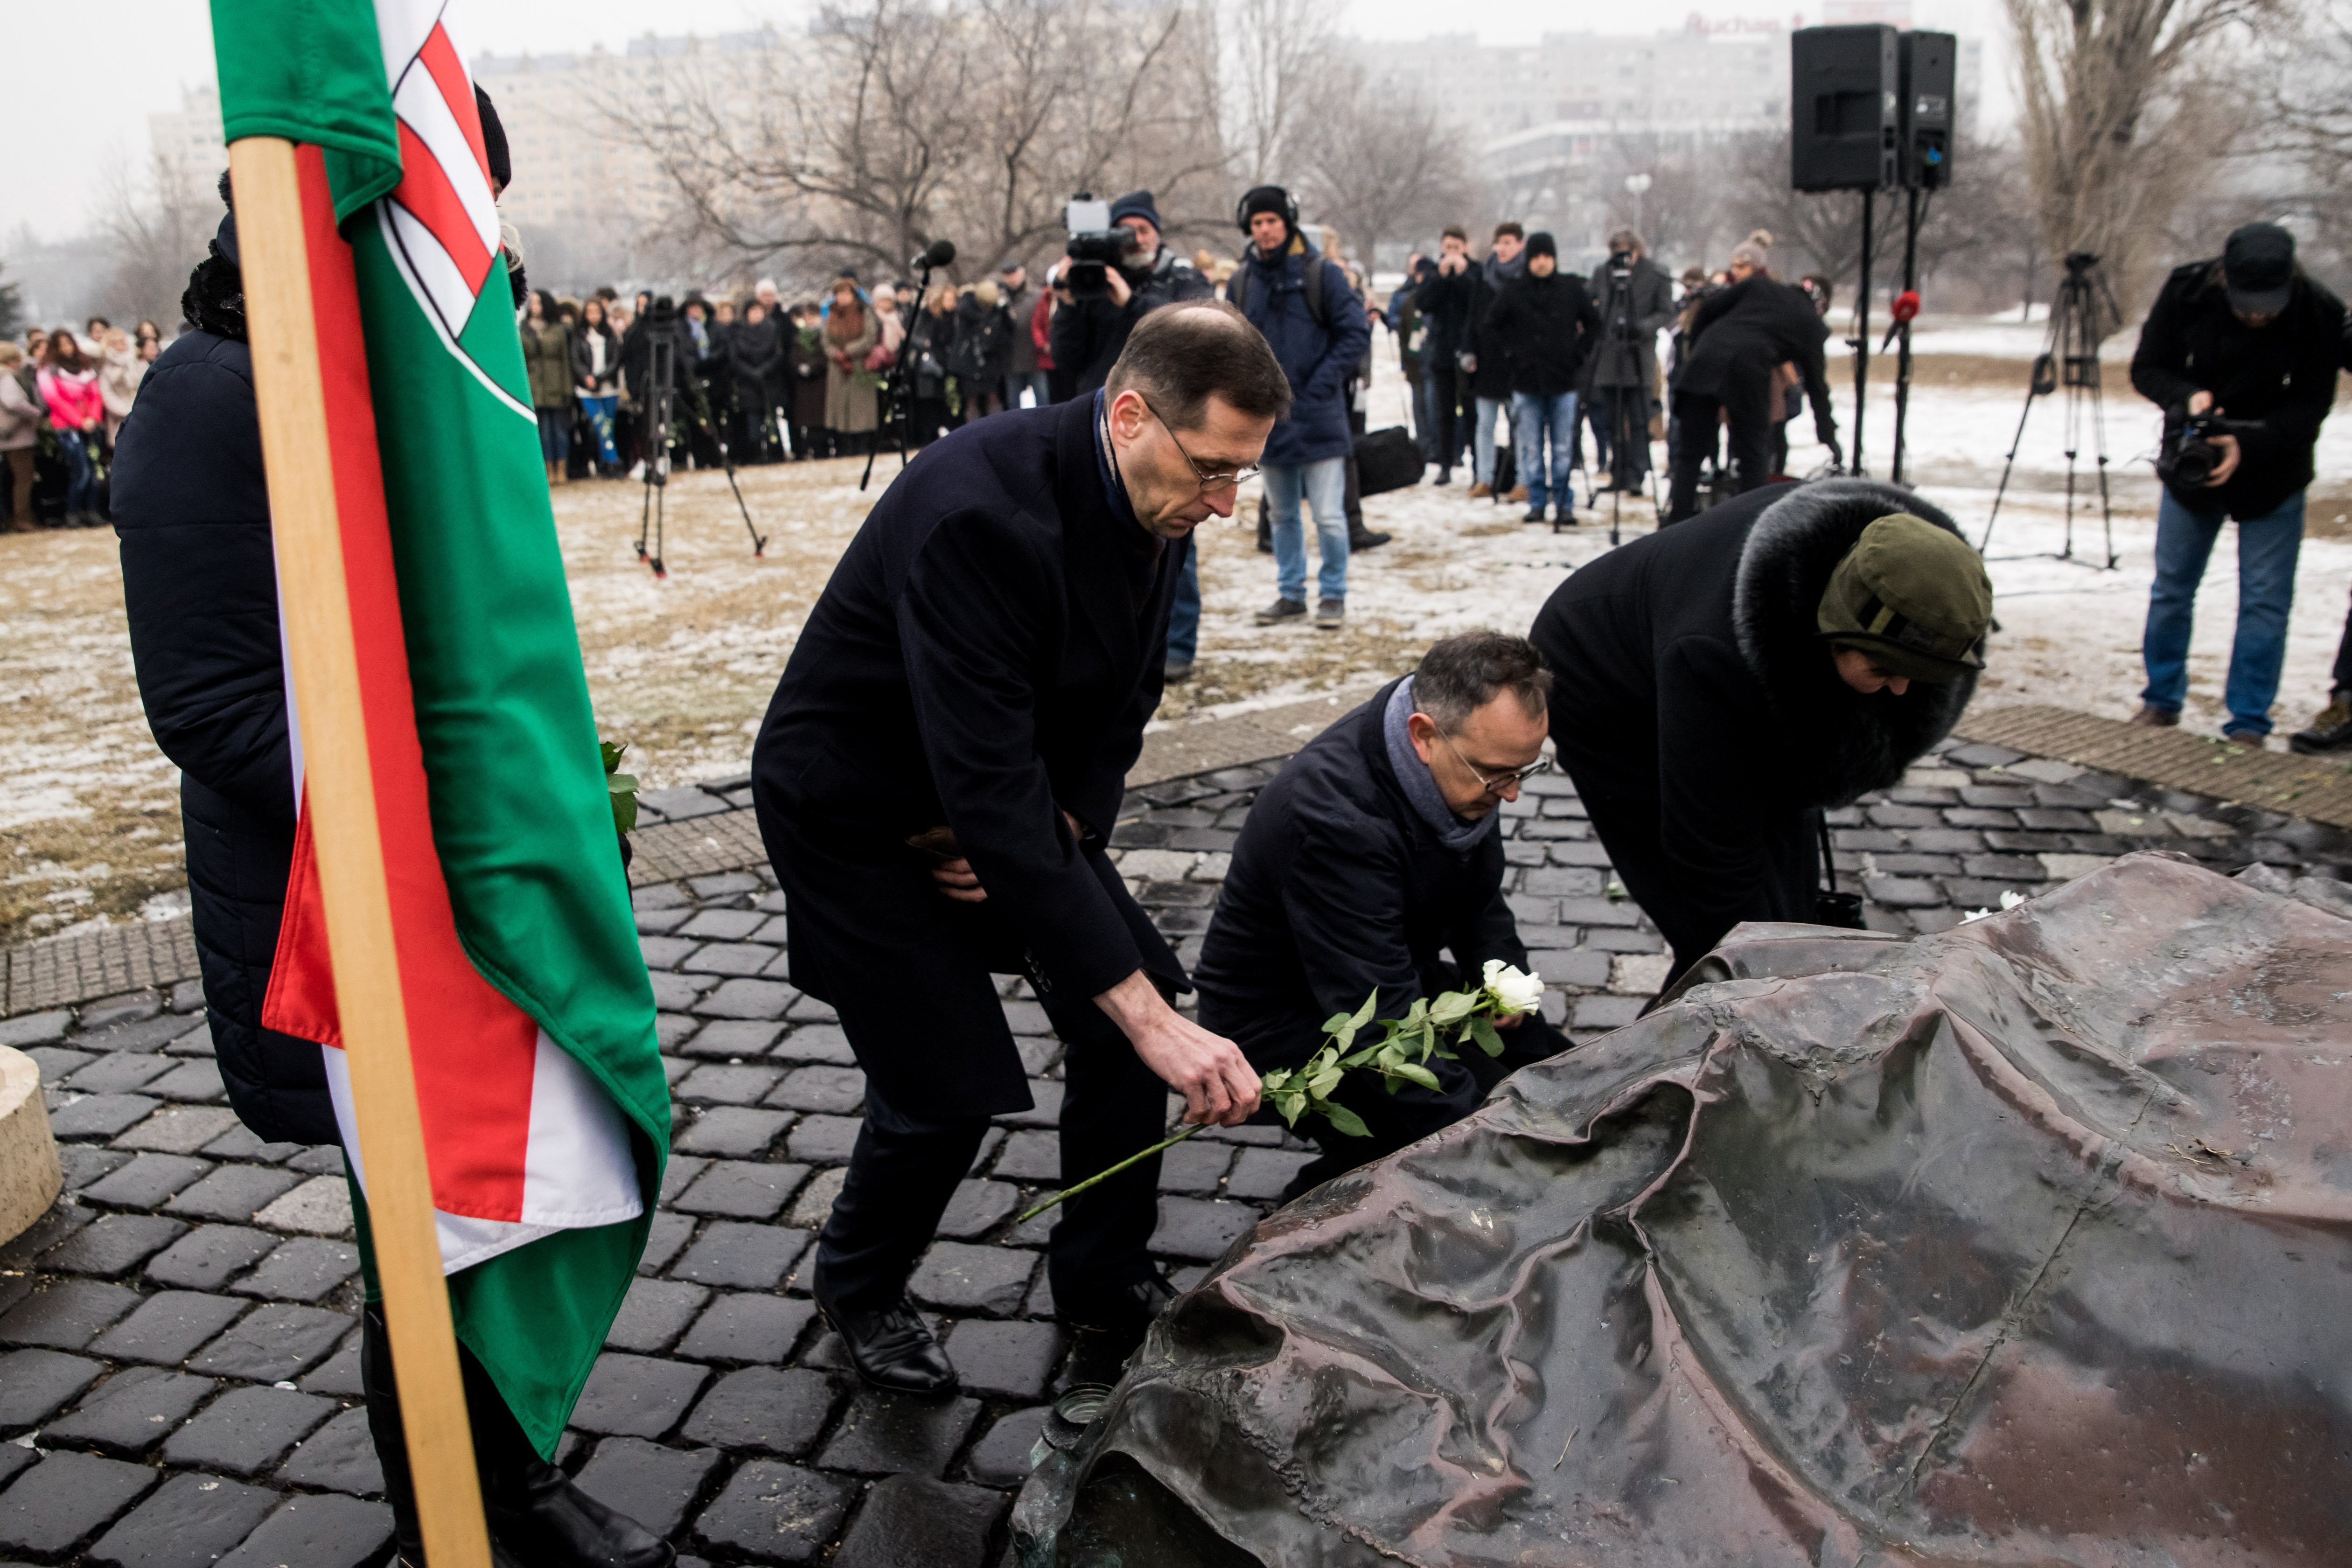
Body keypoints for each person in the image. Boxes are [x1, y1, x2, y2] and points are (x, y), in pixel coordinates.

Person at [113, 137, 672, 1568]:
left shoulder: (402, 355)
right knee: (410, 1235)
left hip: (450, 869)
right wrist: (442, 805)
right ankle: (463, 1512)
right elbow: (210, 705)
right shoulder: (207, 395)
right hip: (341, 900)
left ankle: (501, 1476)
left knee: (466, 1207)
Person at [749, 302, 1287, 1392]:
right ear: (1131, 414)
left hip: (1002, 801)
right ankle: (859, 1286)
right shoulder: (979, 513)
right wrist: (1016, 850)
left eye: (1245, 474)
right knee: (946, 1083)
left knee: (1129, 1023)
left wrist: (1073, 823)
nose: (1228, 504)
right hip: (853, 811)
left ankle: (1102, 1275)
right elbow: (986, 785)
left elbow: (1128, 694)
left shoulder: (1159, 500)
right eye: (1215, 468)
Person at [1529, 484, 1991, 992]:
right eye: (1883, 668)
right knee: (1721, 943)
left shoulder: (1926, 579)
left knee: (1789, 918)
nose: (1901, 690)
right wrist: (1765, 983)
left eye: (1921, 677)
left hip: (1708, 650)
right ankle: (1647, 1067)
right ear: (1831, 632)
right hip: (1606, 689)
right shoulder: (1712, 655)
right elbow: (1710, 856)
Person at [1194, 630, 1575, 1195]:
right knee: (1477, 1146)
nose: (1513, 793)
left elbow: (1477, 892)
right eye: (1498, 774)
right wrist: (1485, 1145)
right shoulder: (1333, 816)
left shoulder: (1464, 761)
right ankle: (1319, 1212)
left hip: (1390, 975)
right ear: (1423, 736)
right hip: (1295, 1025)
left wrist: (1505, 984)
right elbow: (1376, 1020)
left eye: (1524, 770)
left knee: (1557, 1082)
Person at [2127, 222, 2346, 744]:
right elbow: (2147, 368)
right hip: (2192, 461)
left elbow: (2313, 404)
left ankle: (2248, 720)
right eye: (2247, 303)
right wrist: (2187, 398)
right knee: (2172, 589)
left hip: (2275, 468)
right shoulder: (2186, 292)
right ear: (2224, 278)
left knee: (2265, 600)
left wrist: (2251, 443)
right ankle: (2160, 699)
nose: (2257, 315)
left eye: (2268, 304)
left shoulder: (2320, 312)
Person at [1229, 184, 1371, 631]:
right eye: (1257, 223)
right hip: (1267, 422)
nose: (1265, 230)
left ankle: (1333, 593)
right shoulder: (1242, 281)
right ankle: (1290, 593)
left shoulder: (1321, 273)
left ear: (1287, 223)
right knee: (1282, 515)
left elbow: (1354, 333)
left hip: (1319, 417)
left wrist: (1319, 386)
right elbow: (1230, 344)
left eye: (1272, 221)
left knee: (1330, 516)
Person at [1665, 238, 1839, 522]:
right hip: (1749, 370)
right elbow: (1817, 388)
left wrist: (1697, 350)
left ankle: (1677, 521)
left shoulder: (1761, 286)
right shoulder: (1812, 325)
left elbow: (1708, 308)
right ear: (1823, 306)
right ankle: (1748, 525)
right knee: (1754, 456)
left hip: (1706, 358)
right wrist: (1828, 435)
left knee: (1689, 455)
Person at [1048, 189, 1214, 395]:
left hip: (1170, 404)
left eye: (1144, 230)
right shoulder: (1096, 283)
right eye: (1125, 233)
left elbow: (1205, 330)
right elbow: (1067, 361)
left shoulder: (1184, 278)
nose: (1136, 240)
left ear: (1157, 235)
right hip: (1105, 404)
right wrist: (1068, 306)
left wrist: (1132, 304)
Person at [1482, 232, 1597, 524]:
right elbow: (1493, 326)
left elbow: (1595, 325)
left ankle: (1563, 502)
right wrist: (1513, 355)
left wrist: (1577, 355)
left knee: (1562, 447)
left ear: (1554, 259)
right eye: (1536, 258)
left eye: (1547, 257)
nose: (1542, 263)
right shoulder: (1514, 291)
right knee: (1531, 447)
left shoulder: (1571, 288)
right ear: (1529, 260)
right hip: (1527, 381)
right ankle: (1536, 501)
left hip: (1563, 380)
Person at [1584, 228, 1674, 492]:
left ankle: (1638, 473)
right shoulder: (1604, 272)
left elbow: (1666, 311)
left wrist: (1641, 328)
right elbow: (1590, 303)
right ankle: (1619, 472)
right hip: (1608, 356)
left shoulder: (1656, 274)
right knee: (1612, 420)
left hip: (1639, 355)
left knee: (1638, 419)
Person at [1463, 223, 1528, 499]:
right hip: (1487, 363)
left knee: (1522, 427)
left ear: (1520, 245)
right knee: (1485, 425)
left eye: (1509, 242)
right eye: (1499, 242)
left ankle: (1524, 480)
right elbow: (1473, 317)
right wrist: (1469, 351)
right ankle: (1484, 478)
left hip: (1517, 364)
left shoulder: (1526, 278)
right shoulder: (1484, 276)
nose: (1503, 248)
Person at [1412, 228, 1476, 485]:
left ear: (1465, 248)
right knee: (1444, 412)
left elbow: (1475, 301)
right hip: (1441, 351)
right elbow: (1423, 303)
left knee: (1472, 412)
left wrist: (1461, 275)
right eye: (1448, 247)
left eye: (1456, 248)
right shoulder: (1433, 272)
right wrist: (1440, 277)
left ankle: (1478, 468)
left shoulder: (1474, 271)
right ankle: (1446, 464)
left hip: (1469, 349)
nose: (1451, 253)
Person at [36, 328, 105, 524]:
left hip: (90, 425)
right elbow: (53, 399)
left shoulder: (85, 366)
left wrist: (92, 417)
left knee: (93, 469)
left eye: (69, 343)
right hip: (67, 427)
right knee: (81, 470)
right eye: (61, 345)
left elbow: (95, 395)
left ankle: (92, 511)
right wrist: (79, 421)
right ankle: (73, 512)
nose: (66, 348)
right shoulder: (48, 369)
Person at [519, 290, 574, 487]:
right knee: (542, 432)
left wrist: (569, 389)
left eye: (538, 303)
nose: (534, 307)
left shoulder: (560, 329)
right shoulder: (523, 329)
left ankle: (562, 470)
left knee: (560, 431)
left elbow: (567, 361)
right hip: (535, 388)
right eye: (532, 303)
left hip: (557, 385)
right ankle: (548, 470)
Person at [822, 275, 880, 453]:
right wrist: (835, 354)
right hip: (837, 367)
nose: (843, 297)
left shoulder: (864, 312)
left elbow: (870, 337)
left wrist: (848, 351)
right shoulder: (831, 314)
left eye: (846, 294)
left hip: (859, 365)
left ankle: (863, 446)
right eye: (839, 294)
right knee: (841, 408)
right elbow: (825, 340)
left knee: (860, 408)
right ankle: (845, 446)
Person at [571, 296, 622, 476]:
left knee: (608, 426)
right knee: (600, 424)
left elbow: (615, 361)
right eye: (590, 312)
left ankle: (609, 462)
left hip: (609, 388)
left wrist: (600, 378)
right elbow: (576, 360)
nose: (593, 316)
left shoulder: (610, 335)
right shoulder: (579, 336)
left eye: (597, 312)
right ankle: (612, 461)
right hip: (587, 390)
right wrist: (587, 378)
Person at [728, 297, 783, 463]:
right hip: (747, 384)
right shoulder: (738, 332)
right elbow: (735, 358)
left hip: (769, 381)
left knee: (771, 418)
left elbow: (778, 354)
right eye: (753, 311)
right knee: (753, 421)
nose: (757, 315)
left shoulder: (772, 329)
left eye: (760, 311)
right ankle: (756, 454)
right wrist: (751, 373)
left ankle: (774, 453)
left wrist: (764, 370)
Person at [952, 278, 1013, 423]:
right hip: (969, 360)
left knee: (993, 396)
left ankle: (998, 428)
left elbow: (1007, 333)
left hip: (990, 361)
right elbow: (965, 312)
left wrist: (1003, 312)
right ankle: (973, 432)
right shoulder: (968, 307)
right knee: (972, 399)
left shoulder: (998, 311)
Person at [906, 284, 958, 446]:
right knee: (928, 404)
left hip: (943, 365)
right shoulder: (924, 316)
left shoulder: (950, 317)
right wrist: (927, 344)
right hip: (927, 367)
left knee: (943, 402)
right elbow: (915, 337)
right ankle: (928, 437)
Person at [0, 341, 42, 530]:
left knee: (14, 479)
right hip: (17, 436)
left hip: (9, 436)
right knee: (24, 479)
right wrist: (35, 412)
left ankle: (16, 518)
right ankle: (22, 519)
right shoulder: (5, 375)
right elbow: (13, 402)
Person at [999, 262, 1047, 410]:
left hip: (1035, 357)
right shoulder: (1001, 298)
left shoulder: (1037, 295)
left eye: (1013, 274)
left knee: (1043, 402)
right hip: (1011, 359)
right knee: (1013, 405)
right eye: (1007, 275)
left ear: (1022, 273)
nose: (1011, 278)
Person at [789, 301, 830, 459]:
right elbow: (794, 357)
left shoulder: (824, 335)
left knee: (822, 421)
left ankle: (823, 450)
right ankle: (811, 449)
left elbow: (825, 356)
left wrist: (813, 368)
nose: (810, 320)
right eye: (807, 317)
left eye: (813, 316)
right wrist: (800, 367)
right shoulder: (799, 337)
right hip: (804, 385)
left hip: (821, 382)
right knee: (809, 422)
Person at [98, 325, 143, 448]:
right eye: (115, 343)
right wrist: (127, 411)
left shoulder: (135, 362)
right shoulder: (106, 369)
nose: (120, 346)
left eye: (122, 342)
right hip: (120, 418)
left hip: (141, 414)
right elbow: (107, 395)